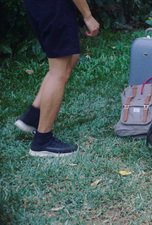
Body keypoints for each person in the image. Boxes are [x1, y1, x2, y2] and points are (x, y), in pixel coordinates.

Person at [15, 0, 100, 157]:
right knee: (58, 72)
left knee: (71, 58)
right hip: (53, 6)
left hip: (39, 5)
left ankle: (32, 117)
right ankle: (42, 141)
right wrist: (87, 15)